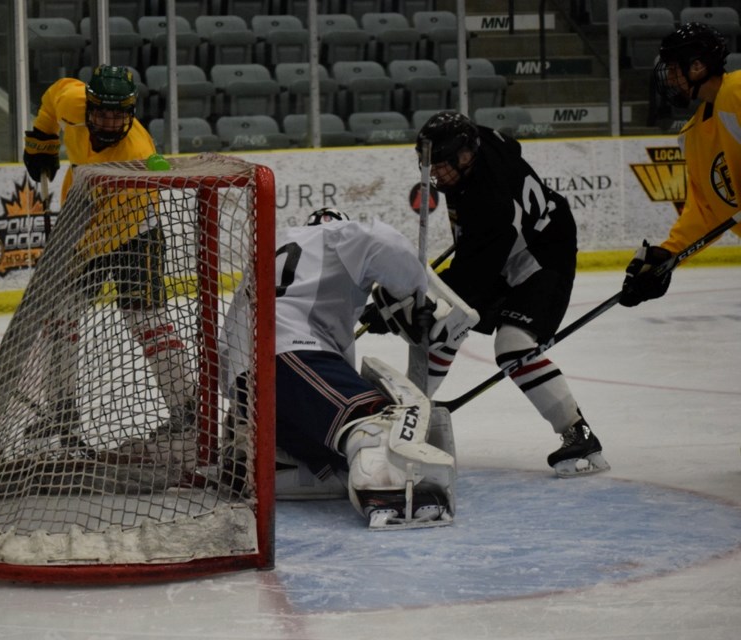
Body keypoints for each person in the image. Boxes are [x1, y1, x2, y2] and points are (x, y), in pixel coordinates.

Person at [367, 110, 610, 478]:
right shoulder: (477, 142)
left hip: (544, 255)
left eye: (444, 165)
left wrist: (403, 309)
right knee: (446, 322)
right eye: (430, 163)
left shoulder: (491, 204)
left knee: (510, 344)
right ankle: (411, 410)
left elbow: (469, 282)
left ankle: (580, 434)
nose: (435, 173)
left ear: (466, 157)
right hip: (507, 243)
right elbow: (510, 145)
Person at [221, 207, 458, 529]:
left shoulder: (272, 248)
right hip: (287, 355)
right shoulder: (339, 234)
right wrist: (415, 295)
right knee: (373, 422)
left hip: (244, 380)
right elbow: (382, 241)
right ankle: (391, 492)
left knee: (337, 456)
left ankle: (274, 463)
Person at [22, 65, 197, 458]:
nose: (109, 121)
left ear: (131, 112)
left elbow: (113, 227)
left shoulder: (136, 154)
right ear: (89, 107)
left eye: (119, 114)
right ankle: (62, 411)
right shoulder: (72, 101)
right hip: (83, 217)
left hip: (134, 228)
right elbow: (53, 96)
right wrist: (42, 140)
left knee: (145, 318)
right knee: (62, 317)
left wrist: (73, 247)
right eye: (102, 112)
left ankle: (186, 410)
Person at [619, 23, 741, 308]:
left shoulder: (737, 90)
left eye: (674, 70)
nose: (670, 79)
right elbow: (707, 209)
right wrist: (668, 255)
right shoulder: (692, 135)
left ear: (697, 67)